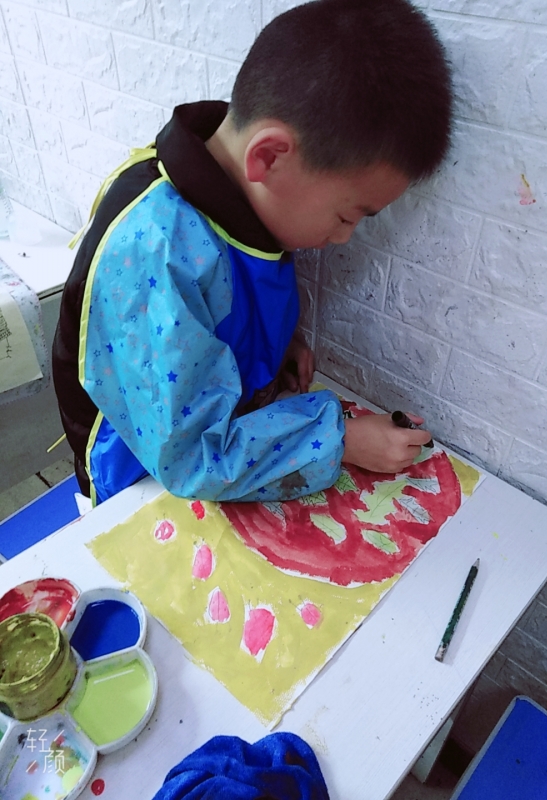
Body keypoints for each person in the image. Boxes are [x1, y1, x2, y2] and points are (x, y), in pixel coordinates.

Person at [52, 0, 452, 506]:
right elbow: (192, 457)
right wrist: (341, 438)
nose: (343, 237)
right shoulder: (154, 249)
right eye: (346, 216)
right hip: (140, 480)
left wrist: (277, 345)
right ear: (268, 156)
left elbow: (229, 299)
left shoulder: (249, 191)